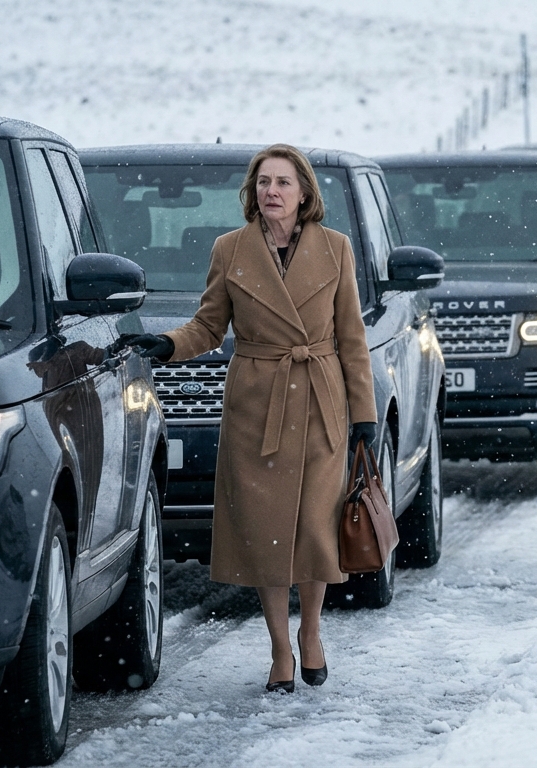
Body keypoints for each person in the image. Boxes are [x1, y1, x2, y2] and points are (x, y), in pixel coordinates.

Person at [121, 144, 376, 694]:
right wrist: (166, 344)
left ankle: (311, 632)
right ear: (252, 192)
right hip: (257, 404)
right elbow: (208, 326)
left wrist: (365, 415)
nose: (272, 192)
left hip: (320, 399)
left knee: (313, 527)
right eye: (263, 182)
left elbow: (352, 338)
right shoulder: (230, 249)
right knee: (266, 535)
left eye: (283, 182)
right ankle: (280, 649)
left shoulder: (336, 250)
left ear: (304, 192)